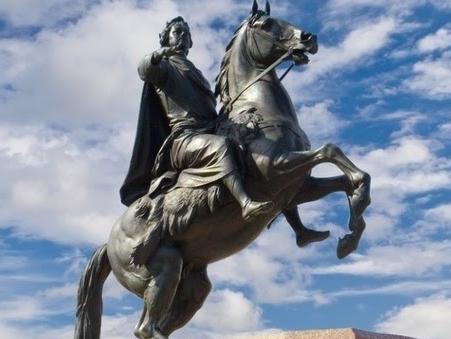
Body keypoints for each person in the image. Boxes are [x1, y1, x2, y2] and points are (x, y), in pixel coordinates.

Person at [121, 17, 329, 257]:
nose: (182, 37)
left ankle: (299, 229)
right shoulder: (165, 67)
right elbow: (144, 69)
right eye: (177, 32)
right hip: (185, 138)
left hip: (209, 128)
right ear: (165, 38)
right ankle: (245, 202)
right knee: (220, 146)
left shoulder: (195, 72)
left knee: (258, 154)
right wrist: (157, 55)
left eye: (186, 34)